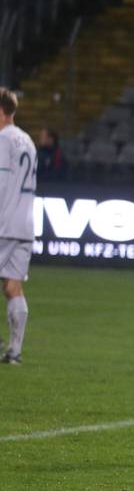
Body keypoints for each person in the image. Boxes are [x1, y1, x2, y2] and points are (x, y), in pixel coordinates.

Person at [0, 88, 36, 365]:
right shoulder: (27, 140)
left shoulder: (3, 139)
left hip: (4, 221)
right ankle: (14, 351)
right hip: (25, 223)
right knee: (13, 287)